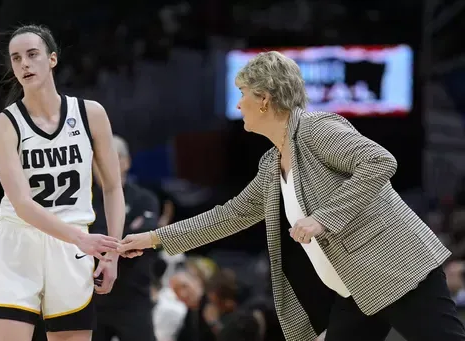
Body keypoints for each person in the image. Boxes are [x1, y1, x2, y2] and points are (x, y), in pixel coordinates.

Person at [118, 51, 465, 341]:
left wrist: (323, 218)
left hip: (397, 269)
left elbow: (378, 161)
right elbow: (229, 215)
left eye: (243, 94)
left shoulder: (316, 128)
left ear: (265, 99)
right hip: (355, 287)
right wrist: (152, 238)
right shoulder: (272, 163)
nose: (238, 105)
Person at [0, 24, 125, 341]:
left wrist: (112, 254)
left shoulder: (91, 114)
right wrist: (80, 239)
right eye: (16, 58)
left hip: (71, 248)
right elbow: (22, 203)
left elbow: (113, 188)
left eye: (32, 55)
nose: (25, 64)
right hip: (19, 243)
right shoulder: (3, 125)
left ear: (53, 59)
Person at [90, 135, 160, 341]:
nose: (101, 163)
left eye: (109, 156)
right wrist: (125, 233)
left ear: (126, 162)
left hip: (133, 297)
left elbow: (144, 238)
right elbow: (82, 239)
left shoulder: (144, 198)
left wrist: (103, 240)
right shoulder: (83, 201)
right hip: (91, 297)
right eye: (96, 158)